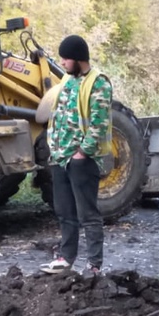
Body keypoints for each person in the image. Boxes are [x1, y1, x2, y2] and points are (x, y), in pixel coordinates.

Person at [40, 35, 113, 277]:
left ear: (78, 59)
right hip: (60, 158)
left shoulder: (98, 83)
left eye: (66, 58)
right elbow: (57, 116)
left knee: (88, 214)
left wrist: (82, 153)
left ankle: (94, 265)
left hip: (81, 160)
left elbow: (99, 123)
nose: (62, 62)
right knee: (64, 212)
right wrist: (55, 149)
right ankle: (65, 258)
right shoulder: (67, 81)